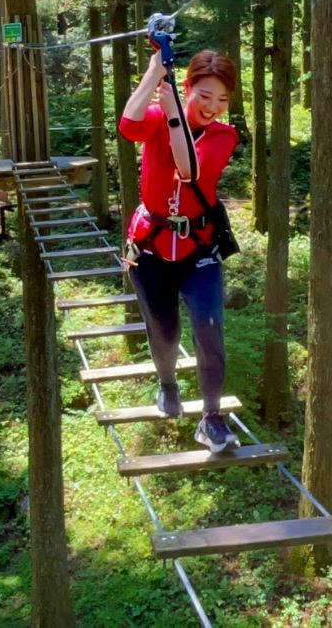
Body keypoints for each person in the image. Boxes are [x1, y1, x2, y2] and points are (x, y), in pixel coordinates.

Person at [119, 49, 240, 453]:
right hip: (151, 247)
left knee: (208, 328)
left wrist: (173, 110)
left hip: (198, 248)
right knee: (163, 328)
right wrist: (154, 74)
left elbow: (189, 169)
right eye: (204, 96)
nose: (213, 108)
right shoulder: (157, 116)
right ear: (187, 88)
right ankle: (167, 382)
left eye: (222, 100)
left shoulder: (224, 136)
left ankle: (211, 417)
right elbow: (128, 125)